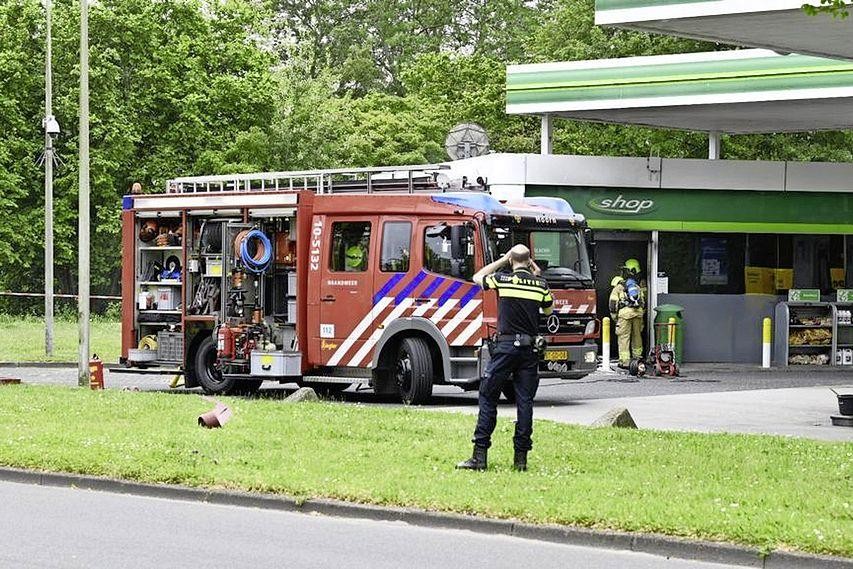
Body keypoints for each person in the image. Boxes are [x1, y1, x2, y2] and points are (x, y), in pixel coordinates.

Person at [457, 244, 553, 472]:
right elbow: (548, 311)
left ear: (511, 260)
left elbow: (477, 277)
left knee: (488, 395)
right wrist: (536, 276)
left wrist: (502, 261)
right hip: (529, 351)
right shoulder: (541, 285)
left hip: (505, 348)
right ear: (529, 261)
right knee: (525, 402)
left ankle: (479, 457)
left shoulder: (502, 279)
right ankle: (520, 461)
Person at [609, 258, 645, 368]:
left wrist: (615, 318)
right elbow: (643, 303)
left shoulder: (618, 288)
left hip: (624, 316)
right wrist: (641, 316)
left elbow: (613, 305)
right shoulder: (637, 287)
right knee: (637, 337)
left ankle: (625, 362)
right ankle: (637, 359)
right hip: (637, 314)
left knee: (624, 338)